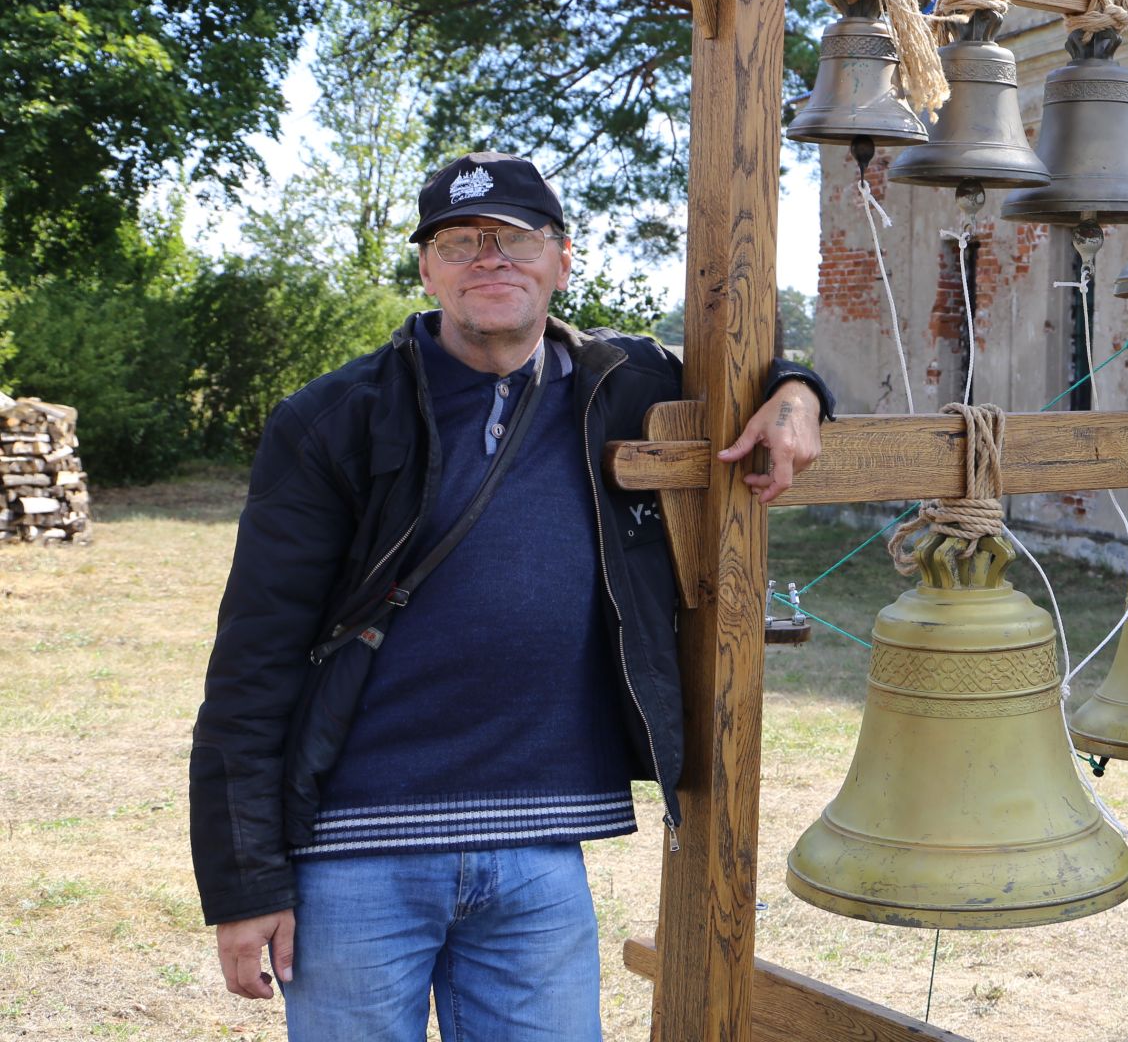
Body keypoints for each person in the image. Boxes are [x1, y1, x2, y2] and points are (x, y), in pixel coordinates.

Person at [189, 151, 833, 1039]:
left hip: (539, 856)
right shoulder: (332, 420)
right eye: (459, 242)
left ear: (563, 259)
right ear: (426, 268)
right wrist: (244, 883)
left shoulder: (625, 387)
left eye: (513, 238)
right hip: (353, 854)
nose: (487, 259)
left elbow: (755, 373)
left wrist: (801, 393)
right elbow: (252, 667)